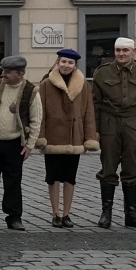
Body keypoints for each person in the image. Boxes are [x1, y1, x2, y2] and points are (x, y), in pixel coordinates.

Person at [91, 36, 136, 229]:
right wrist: (94, 129)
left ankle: (131, 213)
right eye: (118, 50)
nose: (121, 54)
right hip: (109, 122)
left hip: (134, 123)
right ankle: (106, 213)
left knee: (131, 167)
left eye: (125, 50)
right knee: (108, 167)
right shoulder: (102, 72)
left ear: (133, 51)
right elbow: (94, 103)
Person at [0, 55, 42, 231]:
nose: (3, 74)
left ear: (20, 74)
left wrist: (29, 145)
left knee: (13, 182)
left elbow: (36, 120)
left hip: (15, 143)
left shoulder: (31, 91)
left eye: (8, 72)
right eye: (3, 70)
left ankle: (14, 217)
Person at [35, 48, 97, 228]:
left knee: (70, 177)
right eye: (63, 61)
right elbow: (40, 113)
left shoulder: (83, 84)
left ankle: (66, 214)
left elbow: (89, 112)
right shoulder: (46, 84)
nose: (66, 65)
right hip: (53, 136)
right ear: (57, 63)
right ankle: (55, 213)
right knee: (52, 177)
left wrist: (89, 137)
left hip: (74, 137)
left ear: (75, 65)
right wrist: (41, 136)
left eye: (70, 62)